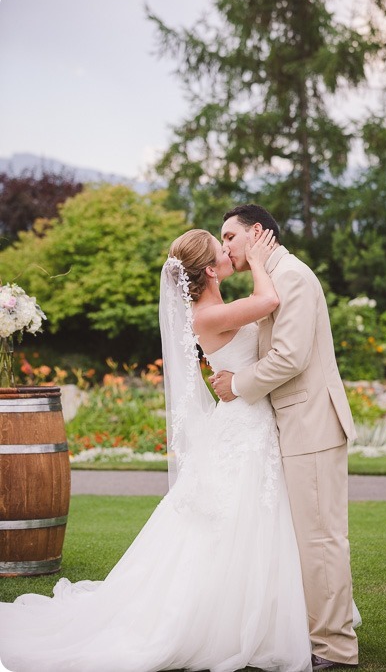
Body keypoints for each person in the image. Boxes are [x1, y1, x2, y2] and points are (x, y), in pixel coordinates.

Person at [0, 228, 313, 672]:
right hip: (243, 426)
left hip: (246, 421)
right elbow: (269, 302)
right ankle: (229, 622)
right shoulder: (206, 315)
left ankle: (261, 612)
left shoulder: (213, 308)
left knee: (250, 518)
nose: (230, 252)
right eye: (222, 249)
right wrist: (261, 262)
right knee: (237, 520)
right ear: (209, 270)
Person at [210, 205, 360, 671]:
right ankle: (317, 634)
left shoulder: (292, 276)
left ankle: (335, 650)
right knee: (311, 539)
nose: (226, 246)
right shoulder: (274, 277)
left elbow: (290, 357)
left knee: (321, 540)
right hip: (296, 425)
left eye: (230, 236)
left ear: (257, 232)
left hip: (312, 424)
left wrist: (236, 385)